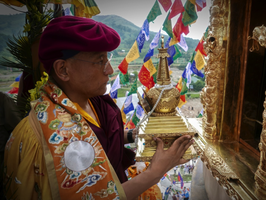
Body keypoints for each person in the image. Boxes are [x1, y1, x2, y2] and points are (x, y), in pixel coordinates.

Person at [3, 16, 193, 200]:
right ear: (63, 70)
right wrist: (155, 172)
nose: (110, 70)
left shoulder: (96, 101)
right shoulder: (52, 136)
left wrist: (132, 135)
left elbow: (103, 137)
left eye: (107, 59)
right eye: (99, 61)